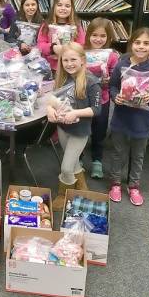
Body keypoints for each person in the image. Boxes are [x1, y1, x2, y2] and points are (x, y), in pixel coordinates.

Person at [108, 27, 149, 206]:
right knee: (118, 153)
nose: (141, 46)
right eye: (137, 42)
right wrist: (115, 96)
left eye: (146, 43)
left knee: (138, 155)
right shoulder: (122, 64)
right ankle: (115, 183)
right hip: (121, 117)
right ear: (131, 44)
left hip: (142, 121)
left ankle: (133, 185)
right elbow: (112, 87)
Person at [46, 42, 101, 210]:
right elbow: (51, 98)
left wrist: (76, 113)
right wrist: (49, 109)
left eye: (73, 59)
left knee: (66, 167)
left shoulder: (91, 82)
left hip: (80, 131)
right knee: (73, 160)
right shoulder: (62, 78)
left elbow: (97, 109)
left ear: (83, 60)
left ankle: (64, 195)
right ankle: (82, 186)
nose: (69, 64)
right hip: (63, 128)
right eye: (65, 60)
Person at [84, 18, 119, 179]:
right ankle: (78, 159)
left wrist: (108, 80)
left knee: (99, 130)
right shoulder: (81, 52)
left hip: (102, 99)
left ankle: (97, 160)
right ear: (88, 35)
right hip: (82, 99)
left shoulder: (111, 56)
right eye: (94, 35)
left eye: (103, 36)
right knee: (82, 130)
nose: (98, 39)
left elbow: (116, 76)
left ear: (108, 37)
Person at [37, 0, 85, 71]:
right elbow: (40, 45)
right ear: (54, 7)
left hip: (70, 66)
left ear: (72, 9)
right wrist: (53, 48)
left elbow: (81, 45)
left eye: (67, 6)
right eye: (59, 5)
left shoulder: (77, 26)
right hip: (50, 67)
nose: (63, 8)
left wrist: (69, 49)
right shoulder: (46, 25)